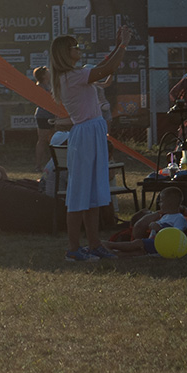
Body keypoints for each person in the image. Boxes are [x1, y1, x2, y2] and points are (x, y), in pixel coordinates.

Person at [52, 26, 134, 262]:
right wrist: (123, 45)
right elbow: (106, 69)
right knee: (79, 194)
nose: (79, 49)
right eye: (74, 47)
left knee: (93, 193)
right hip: (86, 134)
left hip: (92, 132)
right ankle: (73, 248)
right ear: (65, 52)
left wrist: (116, 47)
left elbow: (102, 68)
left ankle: (94, 244)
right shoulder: (72, 76)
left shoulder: (75, 74)